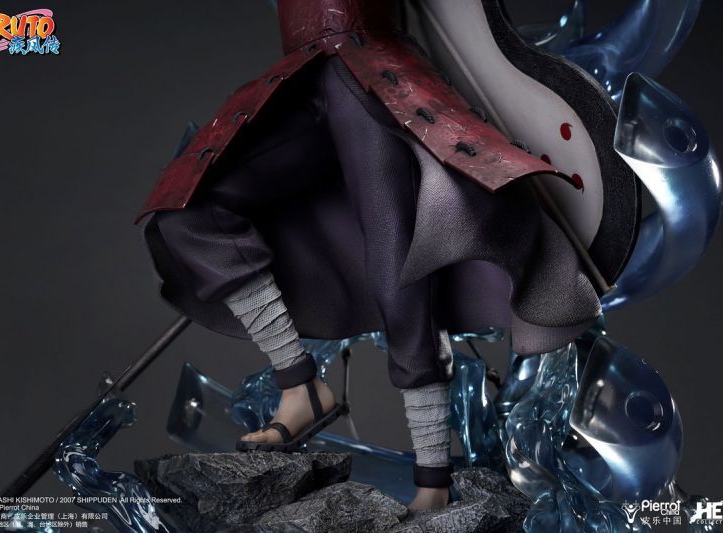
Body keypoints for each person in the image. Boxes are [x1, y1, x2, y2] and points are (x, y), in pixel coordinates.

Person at [136, 0, 602, 510]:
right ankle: (300, 387)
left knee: (400, 263)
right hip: (306, 73)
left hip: (370, 67)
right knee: (190, 213)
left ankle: (433, 480)